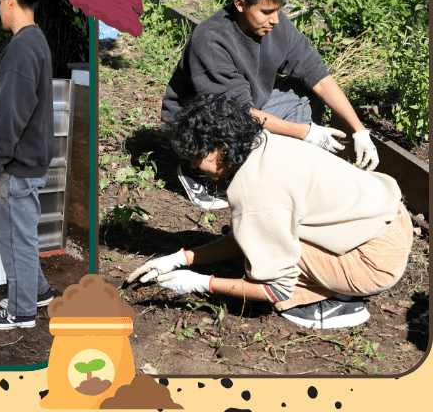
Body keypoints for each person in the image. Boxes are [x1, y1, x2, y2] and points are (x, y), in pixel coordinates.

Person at [128, 94, 411, 330]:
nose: (193, 166)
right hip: (390, 218)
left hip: (374, 263)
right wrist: (180, 259)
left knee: (274, 280)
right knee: (261, 241)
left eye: (196, 156)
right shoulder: (263, 142)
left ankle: (334, 303)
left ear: (221, 149)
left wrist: (200, 283)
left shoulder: (255, 189)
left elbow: (275, 288)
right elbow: (249, 234)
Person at [161, 0, 380, 209]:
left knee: (305, 92)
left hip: (243, 107)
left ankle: (285, 173)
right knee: (236, 136)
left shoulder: (275, 24)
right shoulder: (211, 40)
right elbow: (235, 113)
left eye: (278, 9)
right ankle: (200, 173)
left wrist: (359, 131)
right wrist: (305, 132)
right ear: (240, 5)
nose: (275, 19)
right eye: (266, 11)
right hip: (198, 126)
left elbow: (316, 74)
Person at [0, 0, 57, 330]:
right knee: (21, 234)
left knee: (13, 237)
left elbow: (10, 115)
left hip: (16, 167)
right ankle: (37, 291)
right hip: (31, 161)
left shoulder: (22, 47)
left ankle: (20, 313)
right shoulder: (37, 40)